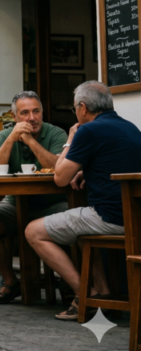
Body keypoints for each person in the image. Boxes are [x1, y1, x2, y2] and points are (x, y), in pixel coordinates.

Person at [26, 81, 141, 321]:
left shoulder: (88, 130)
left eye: (74, 109)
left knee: (33, 231)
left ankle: (84, 295)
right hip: (134, 217)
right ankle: (104, 295)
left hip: (110, 218)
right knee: (79, 233)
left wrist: (70, 138)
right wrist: (85, 171)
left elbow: (59, 178)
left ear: (83, 108)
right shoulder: (131, 128)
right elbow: (110, 161)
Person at [0, 91, 68, 304]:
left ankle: (68, 282)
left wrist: (30, 141)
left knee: (69, 221)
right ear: (15, 117)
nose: (32, 118)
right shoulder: (5, 135)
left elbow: (58, 166)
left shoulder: (56, 133)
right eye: (25, 113)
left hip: (52, 203)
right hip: (14, 202)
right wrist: (12, 138)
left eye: (36, 111)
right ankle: (11, 282)